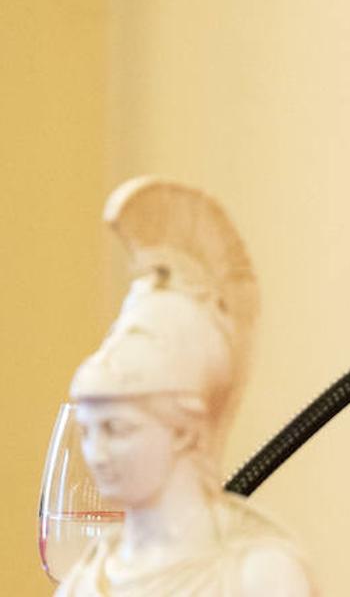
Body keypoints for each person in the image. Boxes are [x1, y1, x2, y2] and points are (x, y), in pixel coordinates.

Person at [55, 177, 314, 597]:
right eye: (88, 431)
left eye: (118, 429)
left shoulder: (259, 576)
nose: (97, 454)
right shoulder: (87, 582)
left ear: (183, 428)